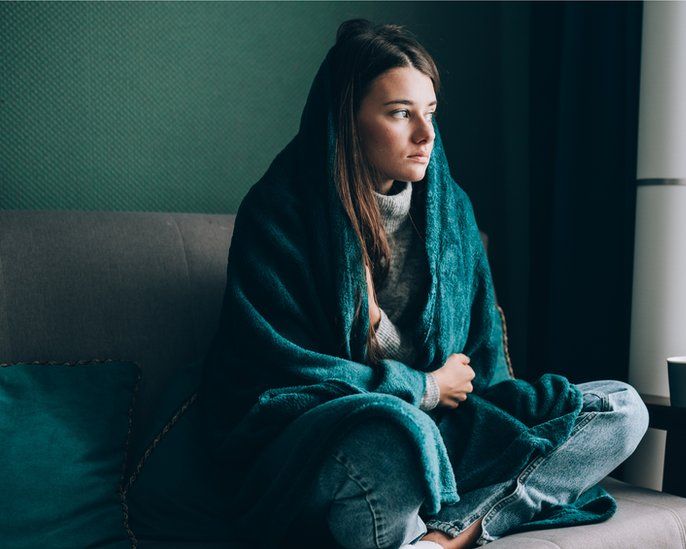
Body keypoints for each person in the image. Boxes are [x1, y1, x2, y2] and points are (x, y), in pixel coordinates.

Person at [199, 19, 649, 549]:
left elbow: (483, 367)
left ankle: (446, 538)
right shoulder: (279, 217)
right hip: (328, 441)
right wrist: (425, 387)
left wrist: (502, 411)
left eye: (430, 113)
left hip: (448, 427)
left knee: (621, 407)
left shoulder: (451, 210)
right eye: (399, 114)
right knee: (394, 432)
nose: (426, 135)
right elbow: (282, 378)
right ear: (346, 119)